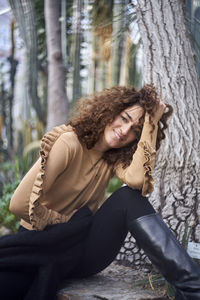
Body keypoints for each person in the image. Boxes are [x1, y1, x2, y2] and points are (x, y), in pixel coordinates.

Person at [0, 84, 199, 300]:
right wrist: (64, 220)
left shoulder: (113, 159)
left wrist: (151, 123)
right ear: (109, 112)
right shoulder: (69, 143)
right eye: (124, 118)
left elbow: (138, 180)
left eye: (135, 130)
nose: (125, 131)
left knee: (128, 197)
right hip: (40, 246)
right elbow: (18, 204)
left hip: (81, 251)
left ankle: (193, 289)